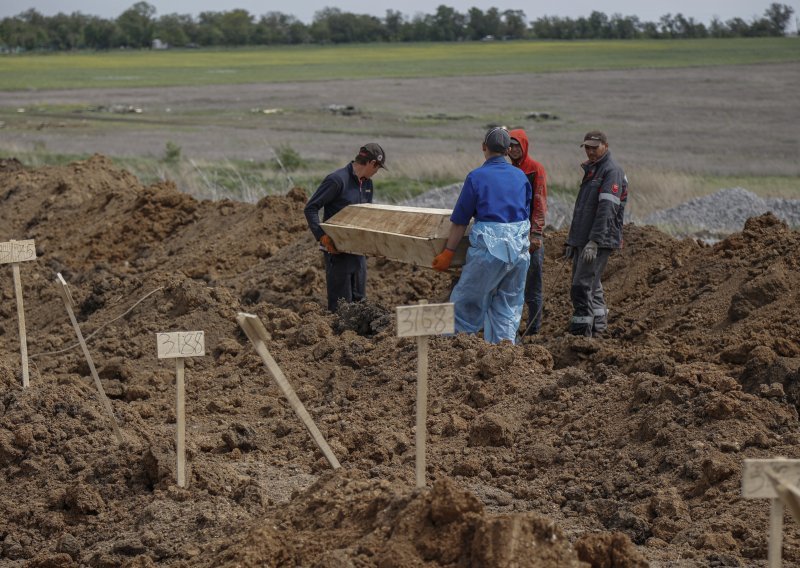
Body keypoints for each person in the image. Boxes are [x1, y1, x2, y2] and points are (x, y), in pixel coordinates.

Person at [431, 127, 532, 344]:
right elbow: (524, 212)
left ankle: (452, 353)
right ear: (507, 150)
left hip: (489, 250)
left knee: (465, 304)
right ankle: (504, 356)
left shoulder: (476, 177)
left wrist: (448, 252)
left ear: (483, 147)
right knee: (507, 307)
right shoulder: (521, 176)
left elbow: (460, 221)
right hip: (520, 251)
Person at [304, 143, 387, 312]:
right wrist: (322, 236)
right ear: (371, 163)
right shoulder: (336, 180)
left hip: (358, 253)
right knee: (341, 307)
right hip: (337, 252)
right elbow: (311, 208)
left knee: (360, 305)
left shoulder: (368, 185)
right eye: (377, 168)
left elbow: (366, 215)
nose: (377, 172)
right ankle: (338, 338)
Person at [565, 131, 627, 337]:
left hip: (598, 239)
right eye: (587, 147)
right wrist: (574, 241)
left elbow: (607, 210)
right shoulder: (593, 170)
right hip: (585, 238)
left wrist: (595, 241)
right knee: (594, 285)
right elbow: (583, 210)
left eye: (595, 147)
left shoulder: (611, 171)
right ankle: (599, 330)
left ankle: (582, 333)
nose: (590, 151)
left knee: (581, 285)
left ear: (606, 146)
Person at [508, 128, 548, 336]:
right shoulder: (510, 170)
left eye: (517, 145)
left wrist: (537, 234)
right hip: (513, 235)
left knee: (533, 284)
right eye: (510, 145)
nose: (513, 149)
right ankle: (511, 329)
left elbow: (539, 203)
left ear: (524, 145)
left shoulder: (534, 169)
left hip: (530, 235)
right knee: (512, 283)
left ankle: (533, 330)